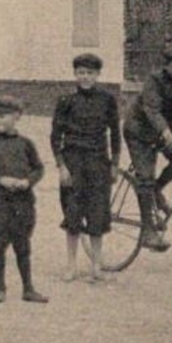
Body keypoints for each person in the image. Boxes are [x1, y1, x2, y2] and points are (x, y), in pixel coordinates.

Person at [123, 37, 172, 253]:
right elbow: (152, 110)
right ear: (166, 66)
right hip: (139, 130)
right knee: (145, 178)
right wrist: (167, 133)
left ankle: (157, 189)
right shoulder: (154, 80)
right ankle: (148, 230)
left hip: (163, 128)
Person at [52, 53, 121, 283]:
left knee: (97, 214)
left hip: (98, 162)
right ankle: (71, 265)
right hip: (73, 162)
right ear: (75, 74)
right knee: (72, 215)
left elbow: (115, 133)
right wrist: (61, 167)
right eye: (81, 72)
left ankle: (96, 266)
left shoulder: (107, 100)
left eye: (90, 73)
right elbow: (55, 137)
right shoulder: (66, 101)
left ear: (98, 74)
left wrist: (114, 164)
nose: (85, 77)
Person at [0, 95, 47, 303]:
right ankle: (0, 287)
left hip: (23, 201)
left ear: (16, 116)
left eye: (3, 116)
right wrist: (0, 180)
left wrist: (28, 182)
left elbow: (38, 168)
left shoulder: (26, 144)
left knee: (22, 244)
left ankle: (28, 289)